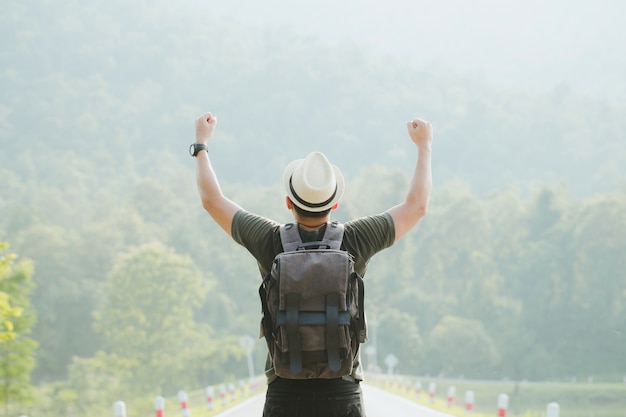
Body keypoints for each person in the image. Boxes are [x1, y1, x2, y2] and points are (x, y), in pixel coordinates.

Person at [191, 111, 433, 417]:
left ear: (289, 202)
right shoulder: (356, 239)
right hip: (342, 388)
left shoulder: (269, 240)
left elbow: (212, 199)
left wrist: (201, 144)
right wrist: (424, 146)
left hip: (284, 388)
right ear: (335, 202)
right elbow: (417, 206)